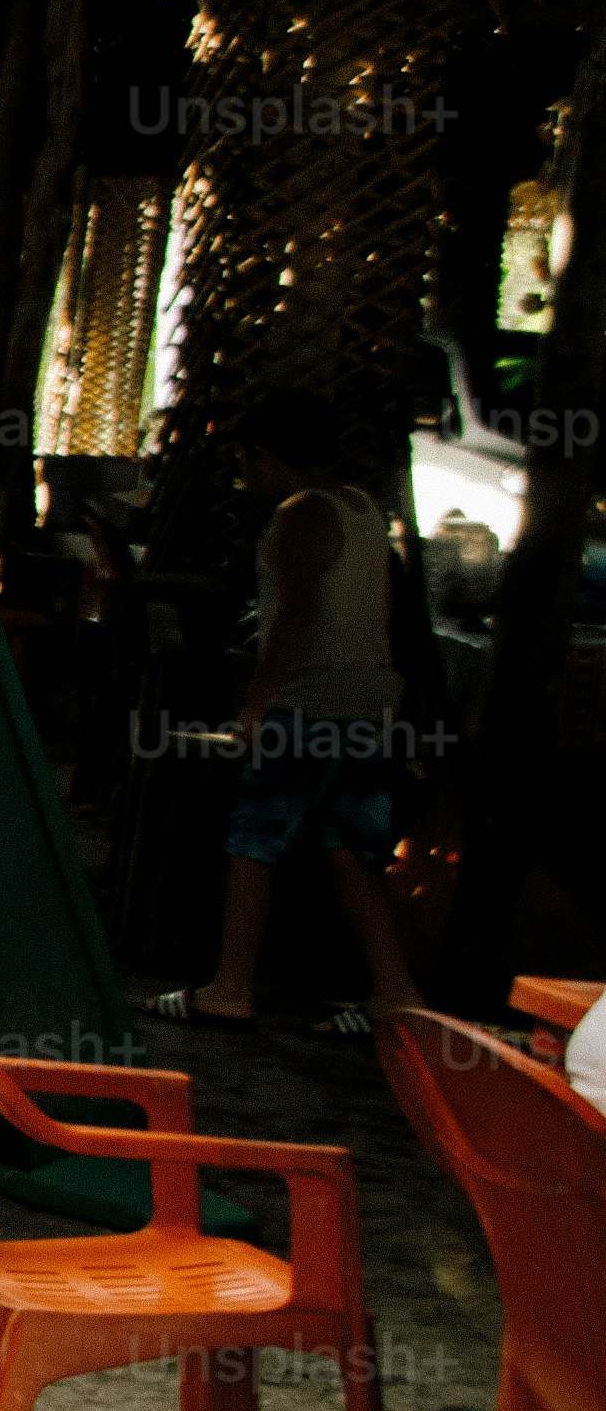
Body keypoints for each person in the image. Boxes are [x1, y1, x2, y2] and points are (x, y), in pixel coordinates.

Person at [186, 385, 424, 1027]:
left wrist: (255, 708)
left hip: (310, 707)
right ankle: (397, 993)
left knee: (254, 838)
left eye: (244, 461)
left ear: (263, 456)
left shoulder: (300, 514)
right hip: (367, 705)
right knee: (344, 844)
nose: (243, 475)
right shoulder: (360, 507)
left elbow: (293, 618)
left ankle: (230, 987)